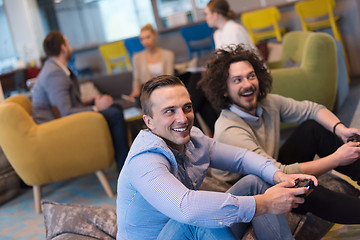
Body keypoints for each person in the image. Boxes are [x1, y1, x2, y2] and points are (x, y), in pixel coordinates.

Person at [116, 74, 317, 240]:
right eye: (169, 111)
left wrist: (279, 176)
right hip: (167, 233)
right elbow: (187, 208)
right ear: (149, 122)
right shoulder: (144, 160)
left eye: (187, 107)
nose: (182, 118)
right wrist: (263, 203)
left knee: (254, 182)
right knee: (199, 217)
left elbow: (241, 158)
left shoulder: (192, 139)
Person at [199, 44, 360, 224]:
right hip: (251, 189)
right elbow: (279, 173)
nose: (247, 84)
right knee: (304, 189)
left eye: (251, 76)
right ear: (224, 89)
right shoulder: (229, 129)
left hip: (271, 166)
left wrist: (341, 129)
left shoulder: (267, 103)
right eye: (237, 80)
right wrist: (337, 159)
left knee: (312, 129)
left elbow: (312, 109)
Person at [31, 31, 129, 171]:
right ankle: (124, 168)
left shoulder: (56, 69)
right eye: (68, 44)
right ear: (63, 48)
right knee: (114, 114)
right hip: (56, 129)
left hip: (61, 121)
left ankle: (122, 163)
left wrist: (90, 101)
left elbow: (65, 103)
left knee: (115, 108)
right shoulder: (54, 74)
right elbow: (65, 112)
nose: (70, 48)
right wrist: (97, 108)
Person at [128, 24, 175, 101]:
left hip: (165, 90)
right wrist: (134, 91)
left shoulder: (168, 55)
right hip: (147, 92)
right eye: (142, 39)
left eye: (148, 37)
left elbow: (169, 78)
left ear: (155, 35)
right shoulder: (137, 57)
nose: (145, 42)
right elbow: (137, 79)